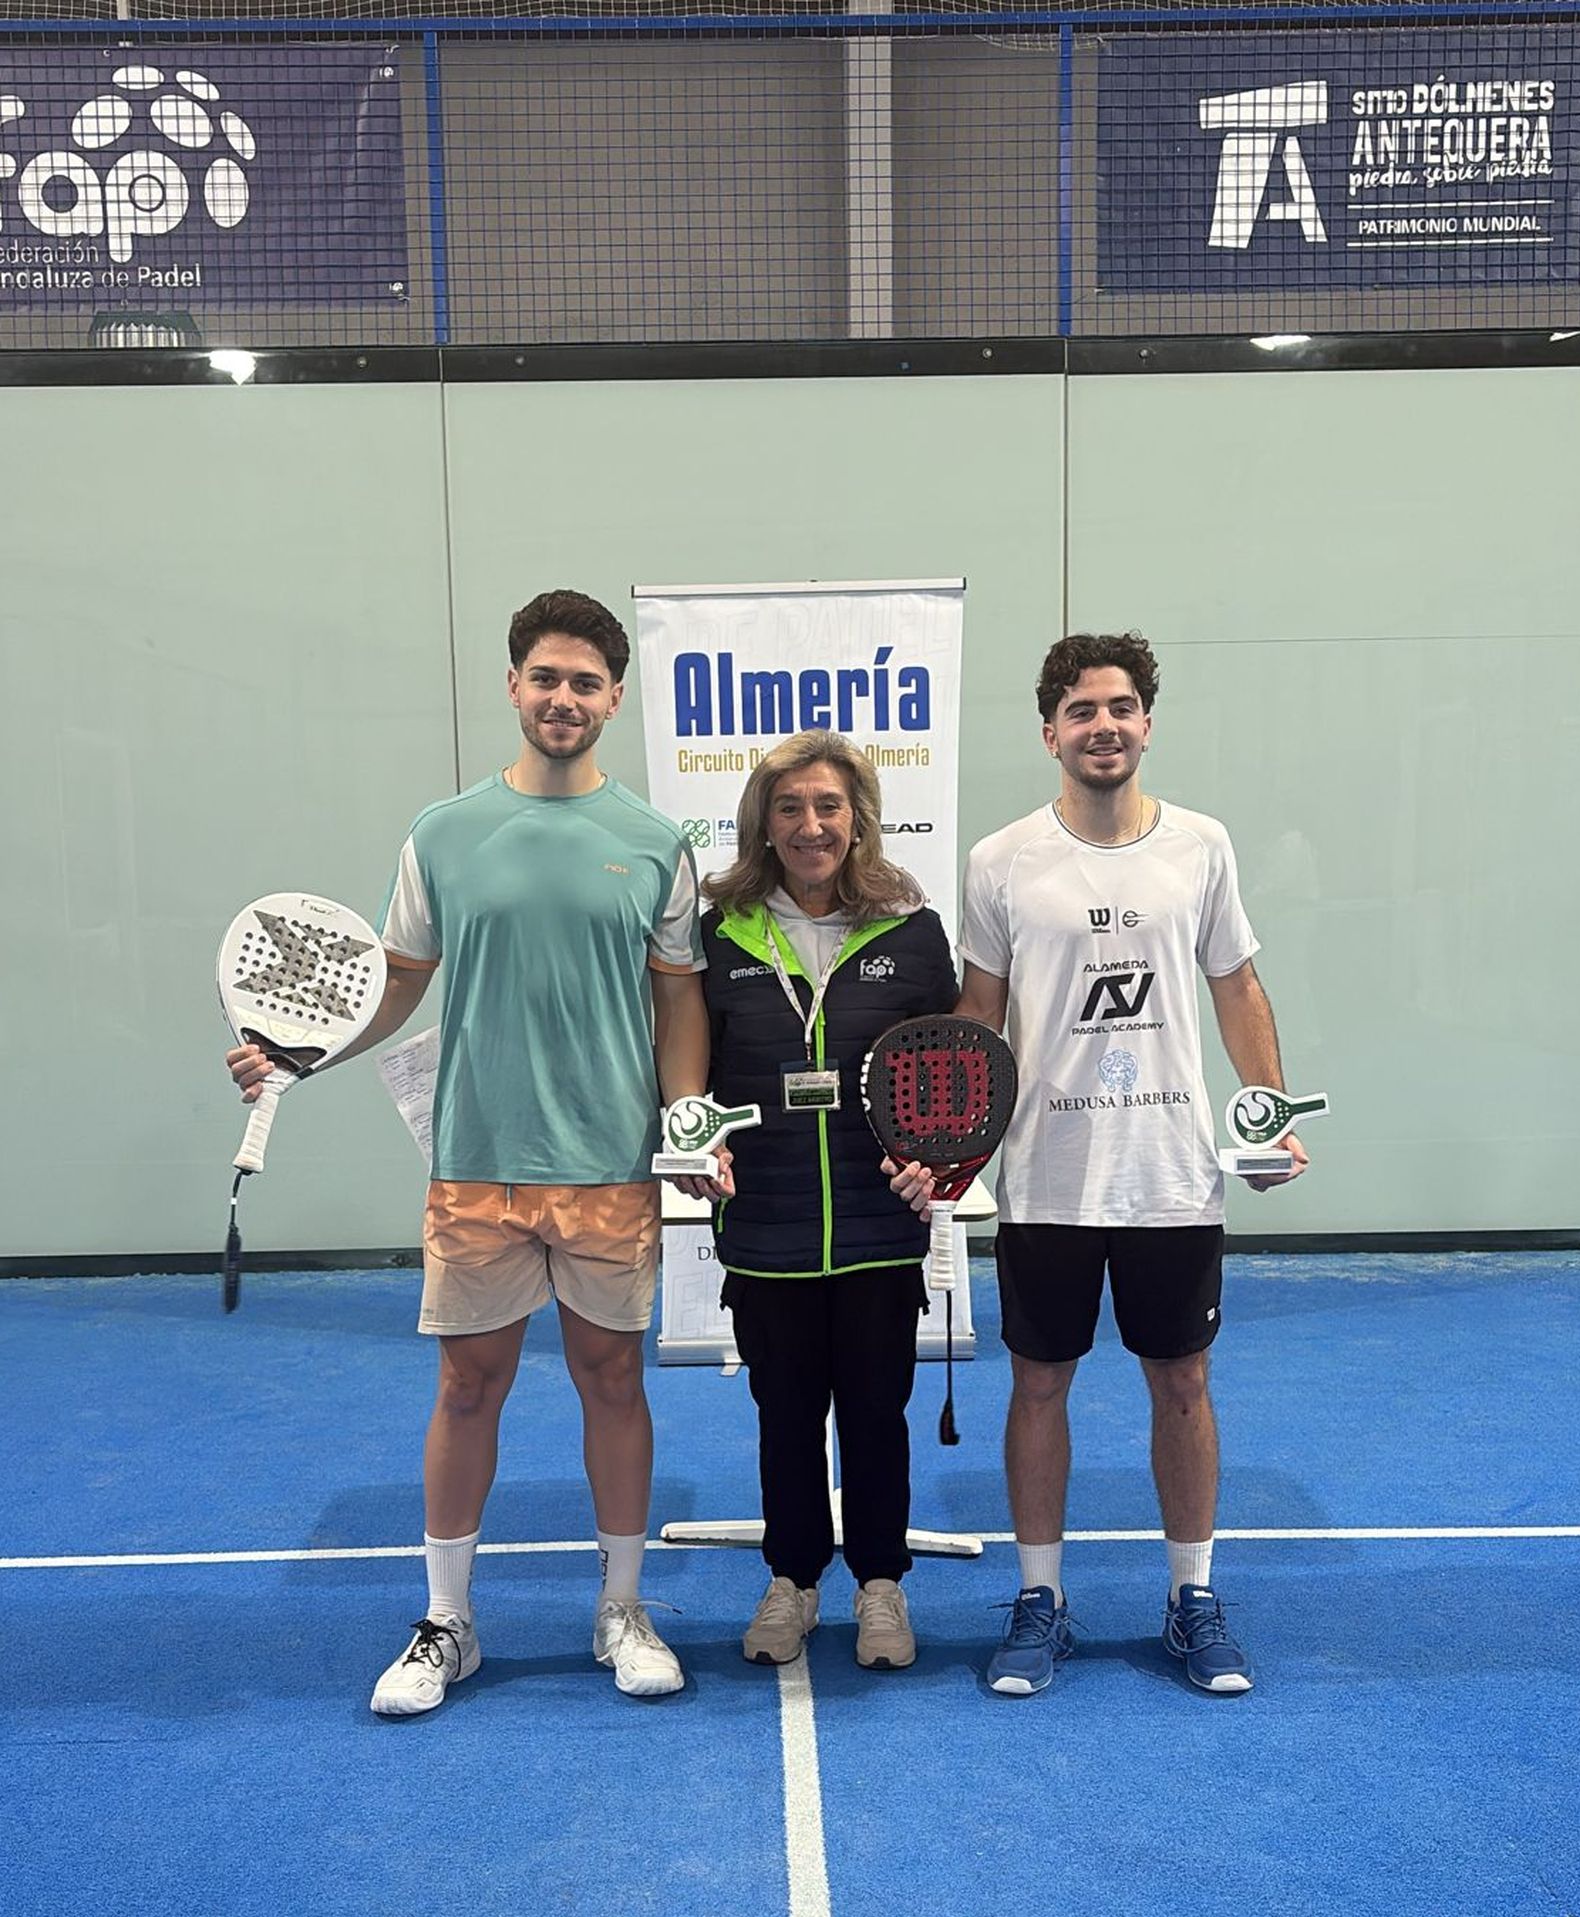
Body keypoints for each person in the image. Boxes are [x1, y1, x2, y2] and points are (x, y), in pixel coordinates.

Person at [225, 589, 710, 1712]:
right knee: (467, 1383)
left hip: (608, 1164)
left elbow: (678, 999)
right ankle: (449, 1622)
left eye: (585, 682)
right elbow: (390, 981)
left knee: (610, 1378)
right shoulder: (441, 833)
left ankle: (621, 1609)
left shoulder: (652, 841)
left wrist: (681, 1112)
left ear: (614, 700)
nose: (563, 697)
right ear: (512, 686)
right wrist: (298, 1056)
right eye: (545, 677)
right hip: (475, 1162)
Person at [942, 631, 1305, 1697]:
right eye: (1080, 709)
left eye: (1120, 706)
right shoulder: (1001, 860)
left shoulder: (1201, 844)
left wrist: (1265, 1115)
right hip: (1046, 1175)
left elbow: (1236, 986)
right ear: (1048, 729)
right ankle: (1038, 1599)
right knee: (1038, 1383)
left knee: (1181, 1380)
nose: (1102, 724)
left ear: (1146, 721)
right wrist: (959, 1147)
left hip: (1172, 1172)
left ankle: (1193, 1595)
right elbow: (978, 1013)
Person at [681, 730, 958, 1671]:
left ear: (858, 818)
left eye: (828, 807)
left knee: (879, 1414)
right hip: (764, 1228)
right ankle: (792, 1583)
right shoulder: (717, 934)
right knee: (786, 1415)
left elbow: (951, 1075)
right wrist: (692, 1141)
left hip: (882, 1230)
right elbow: (685, 1068)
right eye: (790, 808)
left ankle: (880, 1586)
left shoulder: (912, 933)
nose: (810, 826)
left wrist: (939, 1165)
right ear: (763, 820)